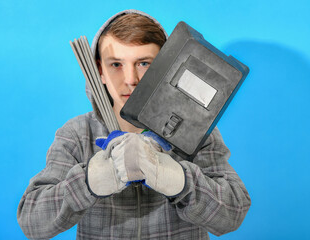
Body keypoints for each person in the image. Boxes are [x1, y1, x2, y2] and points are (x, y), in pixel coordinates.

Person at [17, 9, 251, 239]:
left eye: (144, 63)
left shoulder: (197, 134)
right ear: (99, 71)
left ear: (167, 67)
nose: (130, 80)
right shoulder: (77, 134)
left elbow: (233, 214)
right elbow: (32, 223)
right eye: (116, 64)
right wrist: (89, 182)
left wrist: (180, 180)